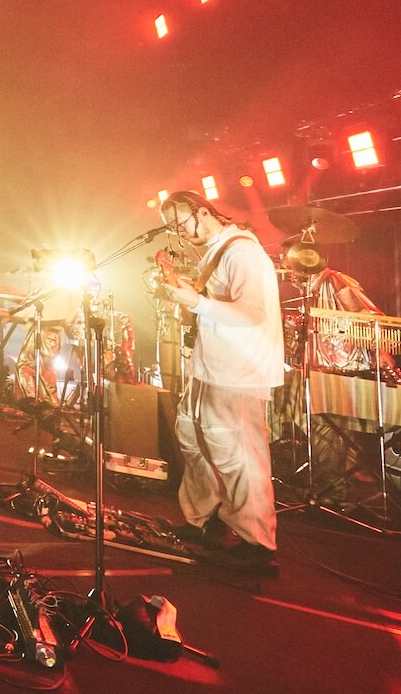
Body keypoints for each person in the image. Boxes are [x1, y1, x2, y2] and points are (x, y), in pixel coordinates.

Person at [156, 190, 284, 573]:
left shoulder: (242, 252)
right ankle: (204, 520)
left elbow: (252, 312)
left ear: (202, 211)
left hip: (237, 371)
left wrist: (194, 302)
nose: (180, 233)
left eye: (181, 223)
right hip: (211, 366)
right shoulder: (217, 249)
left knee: (240, 456)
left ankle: (257, 543)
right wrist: (185, 290)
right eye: (172, 229)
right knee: (193, 441)